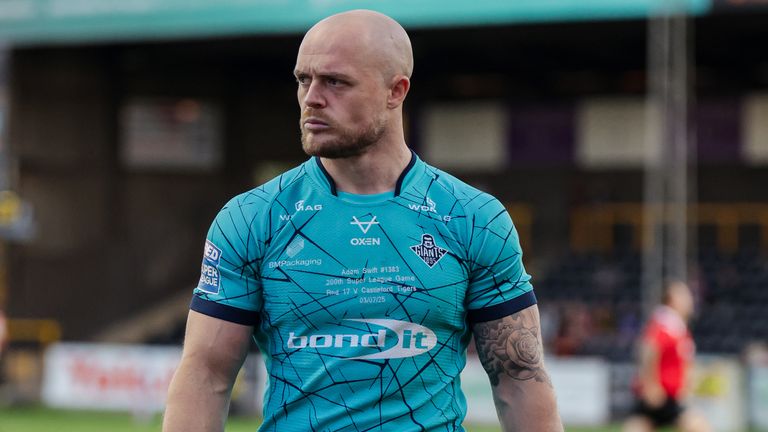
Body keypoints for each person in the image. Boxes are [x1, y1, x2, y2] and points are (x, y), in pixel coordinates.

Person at [163, 9, 562, 432]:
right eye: (303, 79)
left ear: (396, 91)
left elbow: (520, 379)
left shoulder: (473, 218)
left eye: (335, 82)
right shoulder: (251, 218)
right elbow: (205, 376)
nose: (312, 98)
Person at [623, 281, 710, 432]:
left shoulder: (677, 327)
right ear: (672, 300)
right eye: (685, 296)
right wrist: (650, 385)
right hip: (659, 395)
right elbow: (648, 350)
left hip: (671, 397)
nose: (690, 300)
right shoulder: (664, 324)